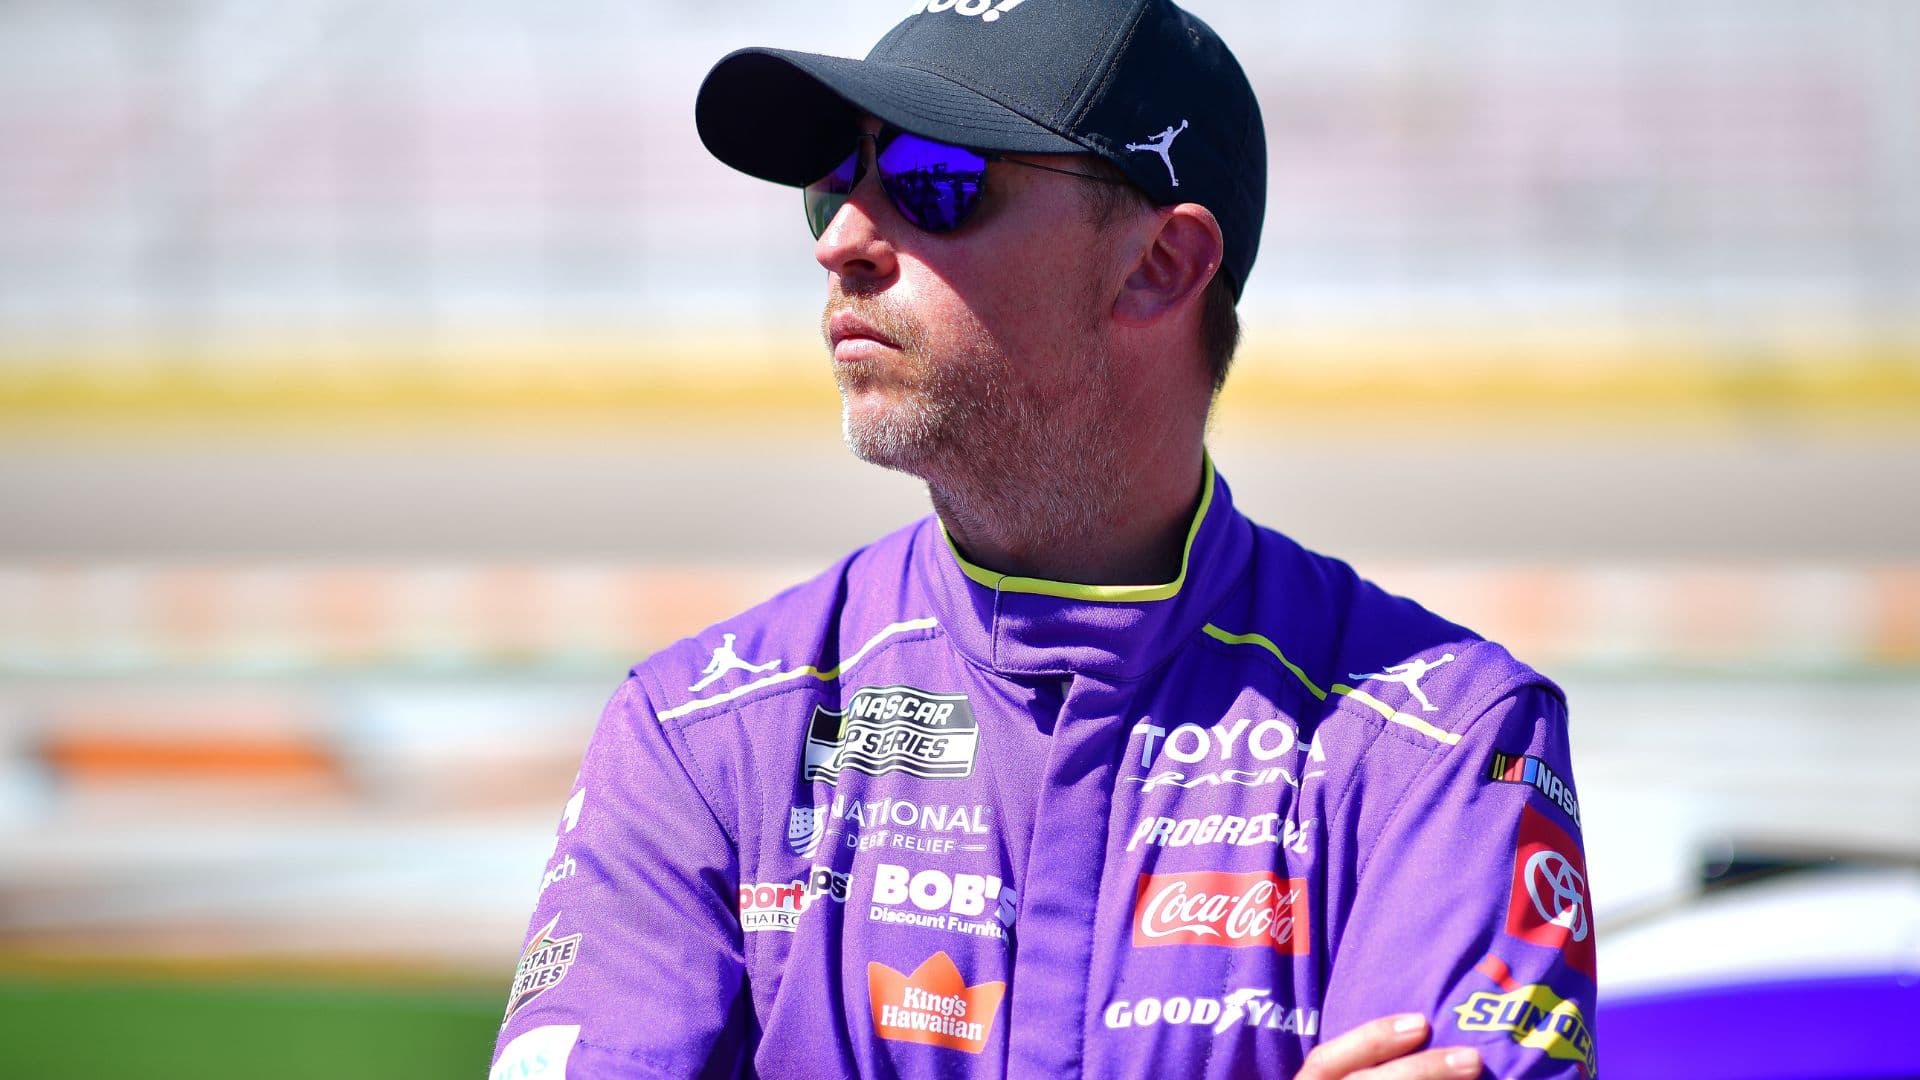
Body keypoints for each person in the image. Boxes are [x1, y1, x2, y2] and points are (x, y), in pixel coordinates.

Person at [490, 1, 1595, 1077]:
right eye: (832, 182)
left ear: (1160, 266)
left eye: (935, 178)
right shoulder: (706, 734)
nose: (846, 242)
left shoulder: (1447, 744)